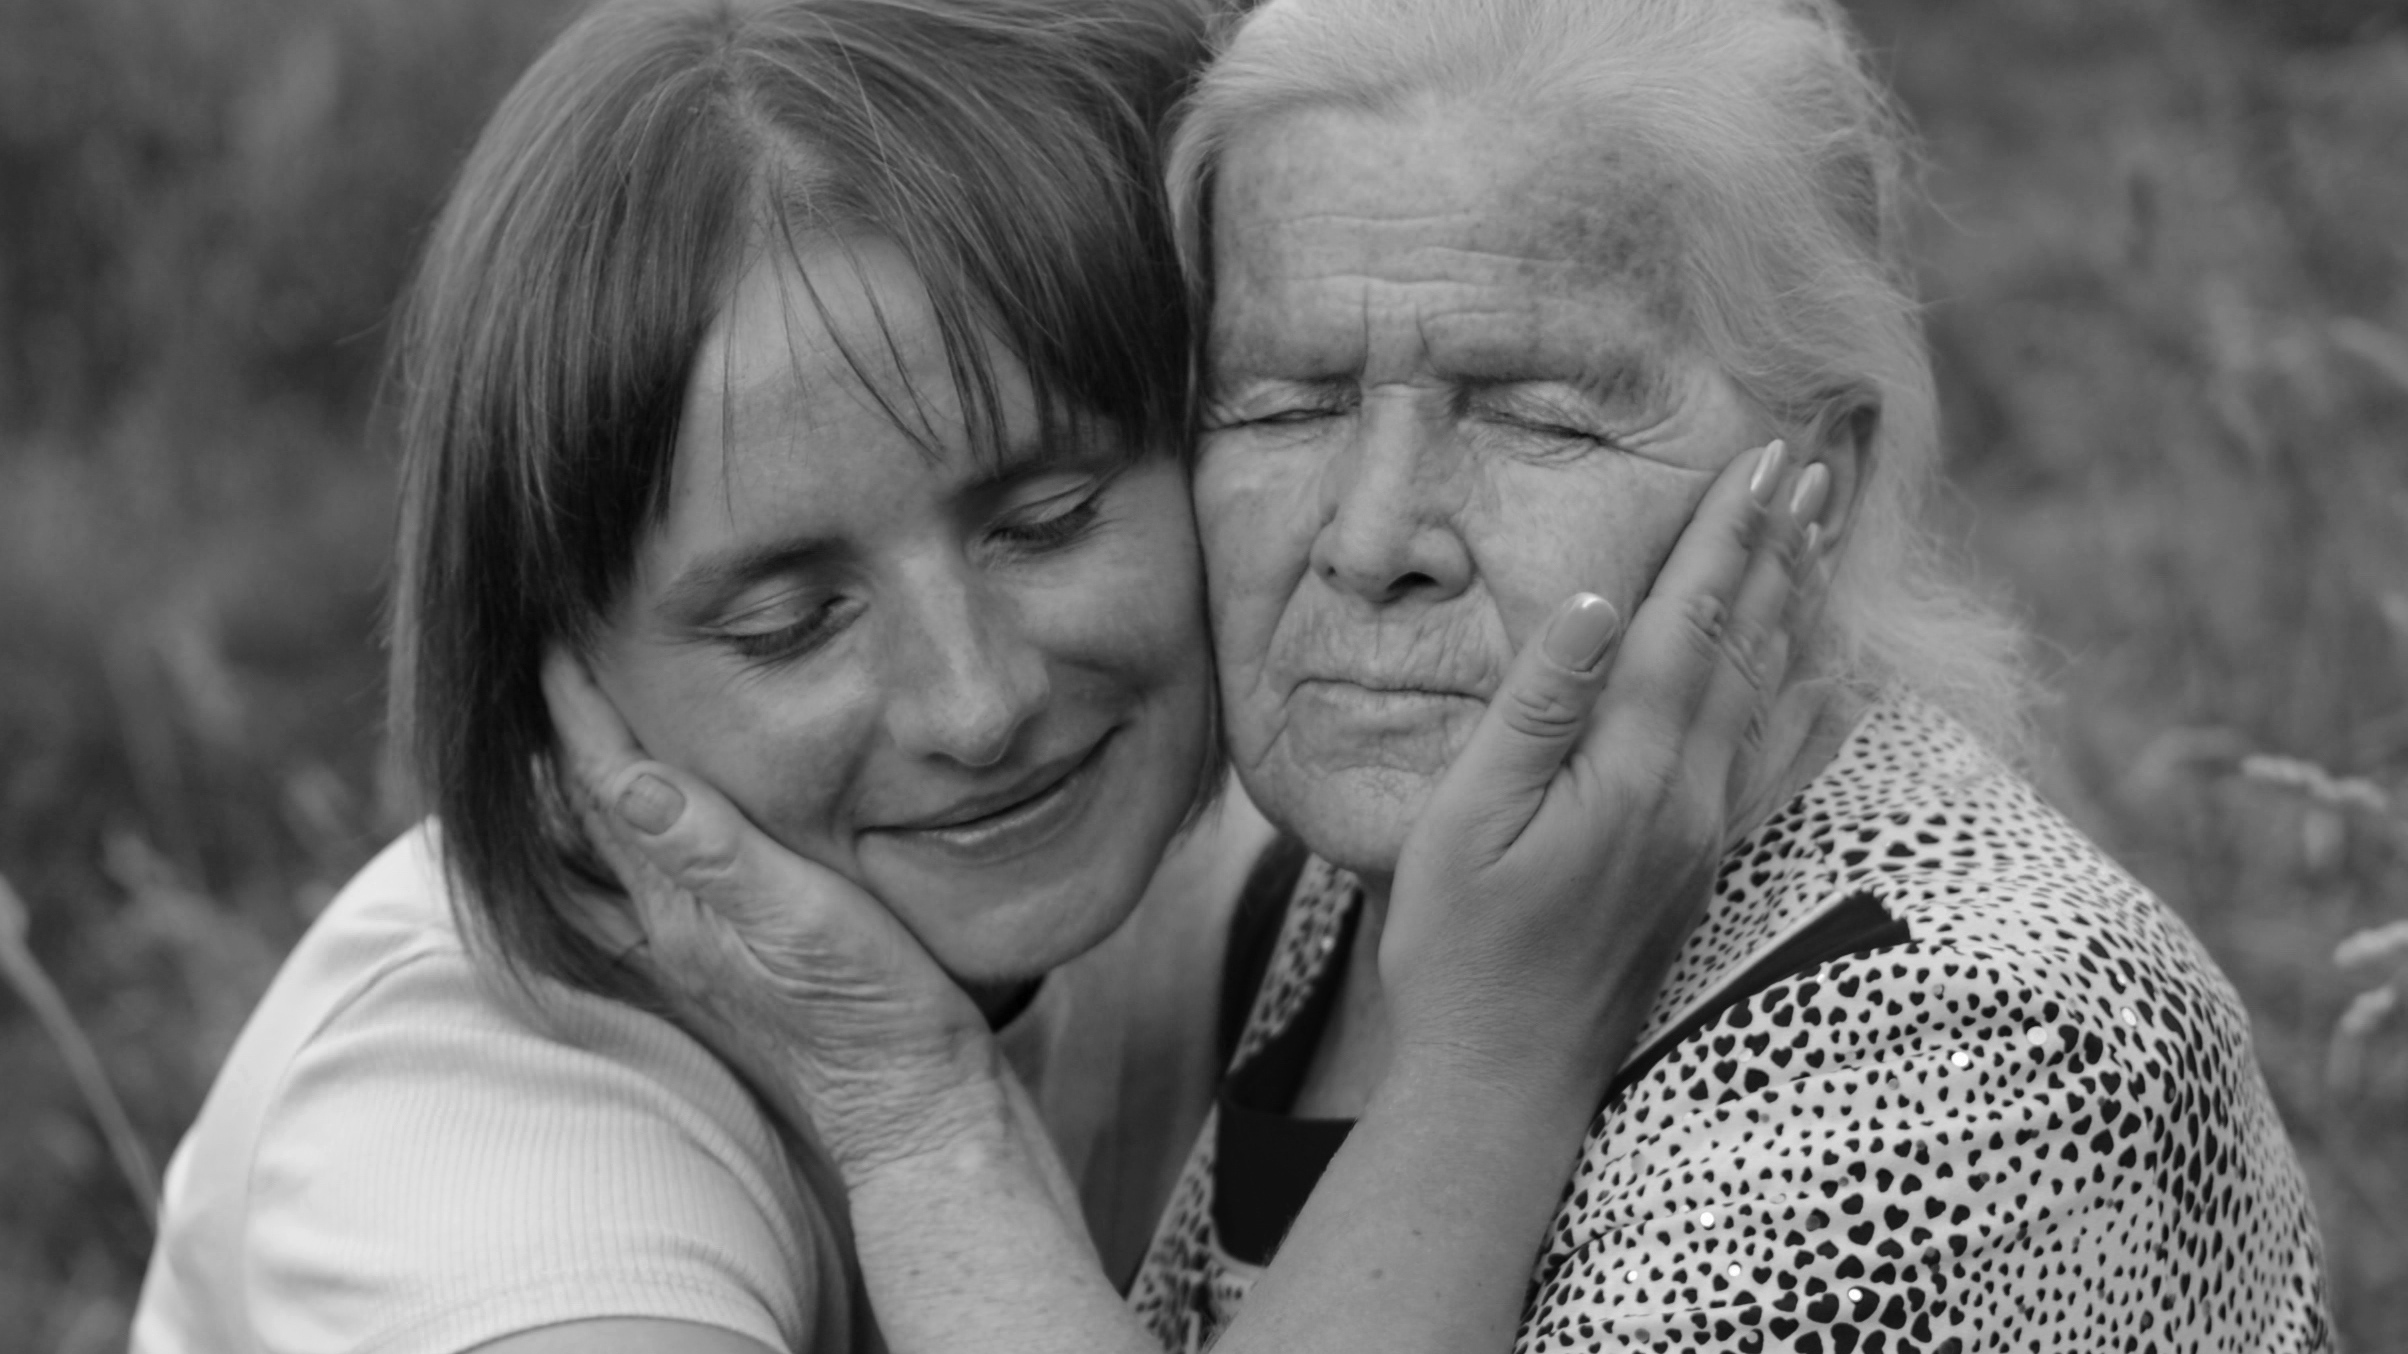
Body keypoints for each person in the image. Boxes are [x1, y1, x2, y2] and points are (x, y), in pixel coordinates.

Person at [571, 0, 2335, 1351]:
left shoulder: (1986, 1058)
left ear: (1820, 474)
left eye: (1533, 412)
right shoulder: (1384, 887)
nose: (1371, 537)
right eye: (1282, 400)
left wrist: (926, 1123)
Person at [130, 0, 1825, 1351]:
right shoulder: (479, 1161)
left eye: (1048, 519)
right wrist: (926, 1120)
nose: (979, 703)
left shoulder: (1234, 854)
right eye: (790, 622)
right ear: (555, 685)